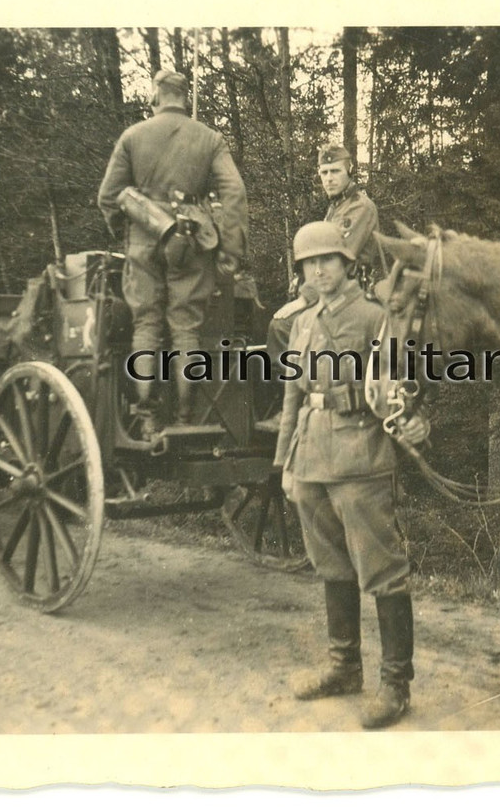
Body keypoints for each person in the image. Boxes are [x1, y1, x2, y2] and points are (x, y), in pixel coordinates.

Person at [273, 221, 428, 730]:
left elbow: (406, 379)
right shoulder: (302, 323)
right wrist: (286, 463)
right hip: (313, 455)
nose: (318, 270)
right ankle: (344, 668)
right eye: (309, 263)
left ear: (348, 264)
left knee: (382, 569)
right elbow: (293, 395)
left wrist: (405, 411)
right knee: (331, 566)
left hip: (361, 454)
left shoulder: (373, 318)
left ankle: (395, 683)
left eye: (328, 260)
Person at [96, 69, 248, 434]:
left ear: (155, 96)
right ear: (185, 98)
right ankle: (185, 418)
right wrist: (230, 248)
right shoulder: (210, 139)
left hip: (144, 241)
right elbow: (235, 194)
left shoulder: (133, 137)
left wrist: (128, 233)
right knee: (186, 329)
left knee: (146, 323)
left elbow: (108, 196)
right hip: (192, 241)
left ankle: (147, 417)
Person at [262, 144, 380, 427]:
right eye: (324, 172)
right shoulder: (336, 209)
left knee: (281, 328)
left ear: (349, 170)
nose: (329, 178)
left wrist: (303, 300)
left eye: (335, 171)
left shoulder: (359, 208)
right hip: (333, 295)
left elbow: (335, 264)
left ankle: (295, 406)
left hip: (352, 295)